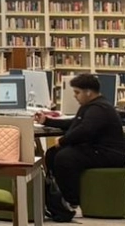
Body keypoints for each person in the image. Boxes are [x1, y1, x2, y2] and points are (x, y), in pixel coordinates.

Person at [44, 73, 125, 210]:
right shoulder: (91, 106)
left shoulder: (99, 109)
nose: (75, 96)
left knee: (65, 157)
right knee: (53, 153)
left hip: (110, 154)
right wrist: (47, 121)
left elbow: (85, 130)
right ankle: (58, 195)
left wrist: (63, 141)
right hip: (97, 150)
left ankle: (72, 199)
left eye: (77, 92)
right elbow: (73, 123)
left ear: (88, 92)